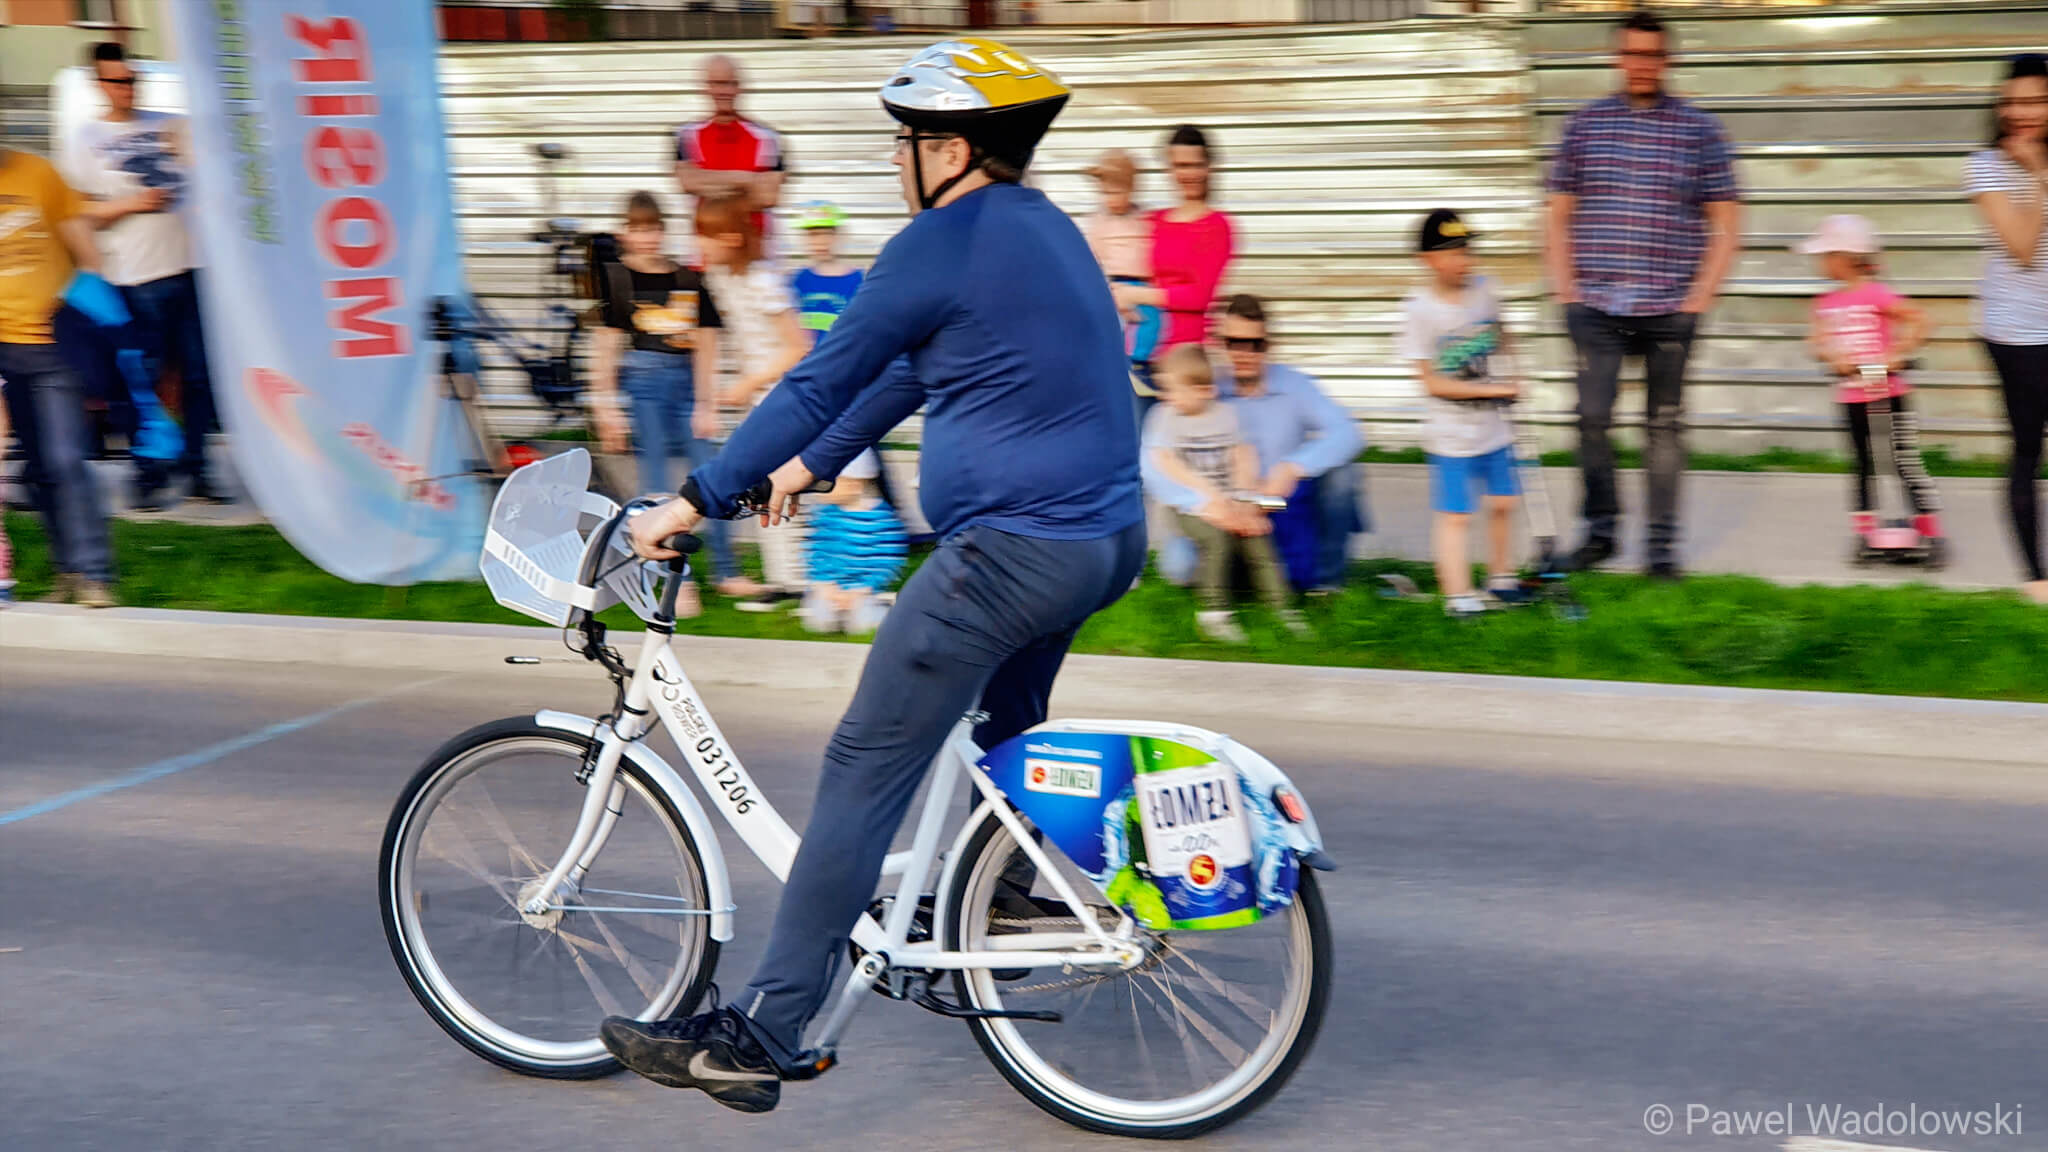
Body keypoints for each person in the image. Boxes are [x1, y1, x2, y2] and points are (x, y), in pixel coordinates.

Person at [607, 37, 1144, 1112]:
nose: (898, 161)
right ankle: (1010, 894)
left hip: (1008, 555)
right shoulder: (1046, 230)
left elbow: (818, 381)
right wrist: (804, 469)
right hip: (1102, 541)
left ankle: (763, 1032)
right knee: (1007, 728)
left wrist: (694, 499)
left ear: (950, 149)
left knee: (862, 762)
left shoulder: (936, 242)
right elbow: (909, 371)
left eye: (907, 142)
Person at [1545, 9, 1742, 580]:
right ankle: (1600, 533)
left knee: (1664, 429)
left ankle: (1660, 550)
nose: (1641, 64)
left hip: (1669, 309)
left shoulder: (1701, 131)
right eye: (1632, 53)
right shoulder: (1584, 125)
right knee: (1591, 420)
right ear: (1618, 57)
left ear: (1667, 60)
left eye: (1652, 55)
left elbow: (1727, 224)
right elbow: (1556, 215)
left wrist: (1698, 299)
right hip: (1596, 307)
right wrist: (1567, 294)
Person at [64, 42, 221, 509]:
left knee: (197, 375)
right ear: (99, 84)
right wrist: (130, 204)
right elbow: (76, 213)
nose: (127, 89)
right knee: (142, 379)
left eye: (133, 80)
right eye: (117, 81)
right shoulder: (86, 138)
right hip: (135, 274)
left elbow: (214, 174)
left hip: (192, 266)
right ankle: (147, 471)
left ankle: (197, 467)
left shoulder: (171, 124)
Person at [588, 190, 757, 607]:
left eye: (654, 228)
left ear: (664, 231)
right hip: (643, 385)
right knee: (658, 484)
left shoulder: (688, 278)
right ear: (625, 233)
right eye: (638, 229)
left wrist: (706, 402)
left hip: (686, 384)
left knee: (713, 477)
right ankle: (677, 580)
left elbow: (708, 343)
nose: (647, 238)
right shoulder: (618, 280)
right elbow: (606, 347)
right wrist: (606, 406)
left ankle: (727, 572)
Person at [1147, 295, 1363, 592]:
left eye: (1255, 344)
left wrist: (1293, 468)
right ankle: (1244, 575)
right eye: (1235, 343)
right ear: (1221, 343)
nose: (1245, 353)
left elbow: (1349, 433)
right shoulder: (1201, 384)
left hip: (1277, 502)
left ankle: (1327, 583)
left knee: (1343, 474)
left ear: (1268, 345)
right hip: (1219, 504)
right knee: (1179, 569)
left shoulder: (1295, 385)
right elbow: (1152, 460)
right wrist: (1203, 503)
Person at [0, 146, 116, 608]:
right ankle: (68, 570)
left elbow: (85, 250)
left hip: (51, 345)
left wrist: (77, 309)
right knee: (39, 468)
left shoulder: (38, 172)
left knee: (66, 459)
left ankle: (94, 574)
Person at [1401, 209, 1527, 618]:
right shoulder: (1419, 310)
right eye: (1453, 252)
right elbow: (1432, 383)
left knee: (1504, 501)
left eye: (1468, 250)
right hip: (1452, 437)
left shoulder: (1486, 290)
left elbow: (1502, 332)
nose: (1465, 260)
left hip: (1495, 427)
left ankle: (1501, 576)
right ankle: (1458, 595)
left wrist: (1514, 372)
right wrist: (1492, 389)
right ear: (1427, 259)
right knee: (1456, 515)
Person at [1798, 214, 1943, 556]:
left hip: (1888, 392)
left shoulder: (1877, 294)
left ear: (1845, 258)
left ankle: (1929, 530)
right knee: (1862, 463)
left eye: (1825, 256)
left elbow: (1920, 321)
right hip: (1851, 394)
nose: (1820, 263)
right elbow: (1815, 341)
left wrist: (1897, 354)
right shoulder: (1825, 303)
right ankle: (1865, 532)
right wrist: (1831, 356)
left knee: (1902, 460)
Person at [1145, 343, 1305, 642]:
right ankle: (1214, 613)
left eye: (1175, 390)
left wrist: (1243, 499)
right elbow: (1164, 461)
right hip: (1192, 507)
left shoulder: (1227, 415)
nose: (1167, 397)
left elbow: (1243, 455)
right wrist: (1209, 495)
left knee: (1259, 537)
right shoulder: (1166, 417)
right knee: (1217, 540)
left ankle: (1283, 608)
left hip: (1230, 499)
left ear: (1205, 391)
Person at [698, 191, 811, 609]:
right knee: (761, 485)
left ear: (730, 238)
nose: (698, 244)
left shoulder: (764, 281)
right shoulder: (721, 278)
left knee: (784, 482)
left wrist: (748, 384)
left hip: (782, 397)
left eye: (704, 236)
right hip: (756, 398)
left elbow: (799, 347)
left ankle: (801, 579)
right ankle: (784, 579)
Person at [1967, 52, 2048, 604]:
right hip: (2017, 333)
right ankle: (2036, 578)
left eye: (2035, 101)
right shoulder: (1985, 166)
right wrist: (2038, 174)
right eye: (2012, 102)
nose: (2022, 112)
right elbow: (2021, 248)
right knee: (2027, 449)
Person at [1114, 125, 1232, 362]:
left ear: (1209, 167)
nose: (1189, 174)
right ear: (1169, 169)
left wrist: (1136, 294)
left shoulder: (1216, 226)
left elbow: (1199, 296)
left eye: (1196, 165)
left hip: (1186, 358)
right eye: (1181, 165)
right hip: (1142, 348)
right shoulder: (1153, 220)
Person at [674, 55, 787, 260]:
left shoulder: (768, 138)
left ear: (740, 88)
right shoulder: (687, 136)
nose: (723, 91)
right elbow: (688, 182)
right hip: (704, 259)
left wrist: (709, 183)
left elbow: (769, 196)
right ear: (705, 88)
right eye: (717, 83)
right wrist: (748, 180)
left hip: (756, 259)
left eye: (729, 83)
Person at [799, 449, 906, 635]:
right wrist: (824, 585)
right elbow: (816, 551)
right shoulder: (825, 514)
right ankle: (838, 614)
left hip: (863, 590)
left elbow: (887, 561)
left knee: (862, 623)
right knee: (819, 620)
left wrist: (862, 589)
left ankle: (879, 611)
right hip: (831, 588)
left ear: (854, 485)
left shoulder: (881, 519)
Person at [1082, 148, 1161, 400]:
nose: (1112, 199)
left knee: (1151, 322)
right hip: (1114, 283)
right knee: (1114, 326)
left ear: (1131, 190)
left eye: (1118, 192)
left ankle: (1141, 364)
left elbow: (1154, 248)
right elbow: (1091, 257)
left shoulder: (1143, 218)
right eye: (1106, 193)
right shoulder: (1100, 221)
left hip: (1143, 284)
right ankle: (1119, 365)